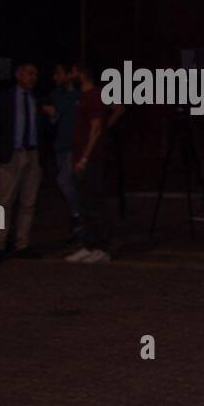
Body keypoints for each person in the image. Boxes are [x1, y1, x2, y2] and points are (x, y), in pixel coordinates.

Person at [0, 61, 57, 263]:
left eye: (35, 74)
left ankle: (22, 243)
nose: (33, 77)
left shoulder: (38, 99)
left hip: (33, 154)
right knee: (3, 201)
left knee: (28, 201)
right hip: (11, 154)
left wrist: (51, 118)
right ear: (19, 75)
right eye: (29, 73)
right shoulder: (5, 99)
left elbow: (47, 131)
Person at [65, 63, 124, 263]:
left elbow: (96, 126)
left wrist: (85, 157)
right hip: (82, 155)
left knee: (94, 202)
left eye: (72, 71)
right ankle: (89, 244)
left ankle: (102, 247)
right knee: (84, 203)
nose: (70, 75)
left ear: (81, 74)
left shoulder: (94, 94)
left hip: (90, 158)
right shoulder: (84, 96)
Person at [49, 63, 82, 240]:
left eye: (58, 73)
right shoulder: (55, 95)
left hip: (74, 147)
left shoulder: (79, 95)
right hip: (59, 145)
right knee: (66, 182)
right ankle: (77, 217)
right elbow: (52, 119)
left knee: (64, 180)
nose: (55, 78)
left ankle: (77, 216)